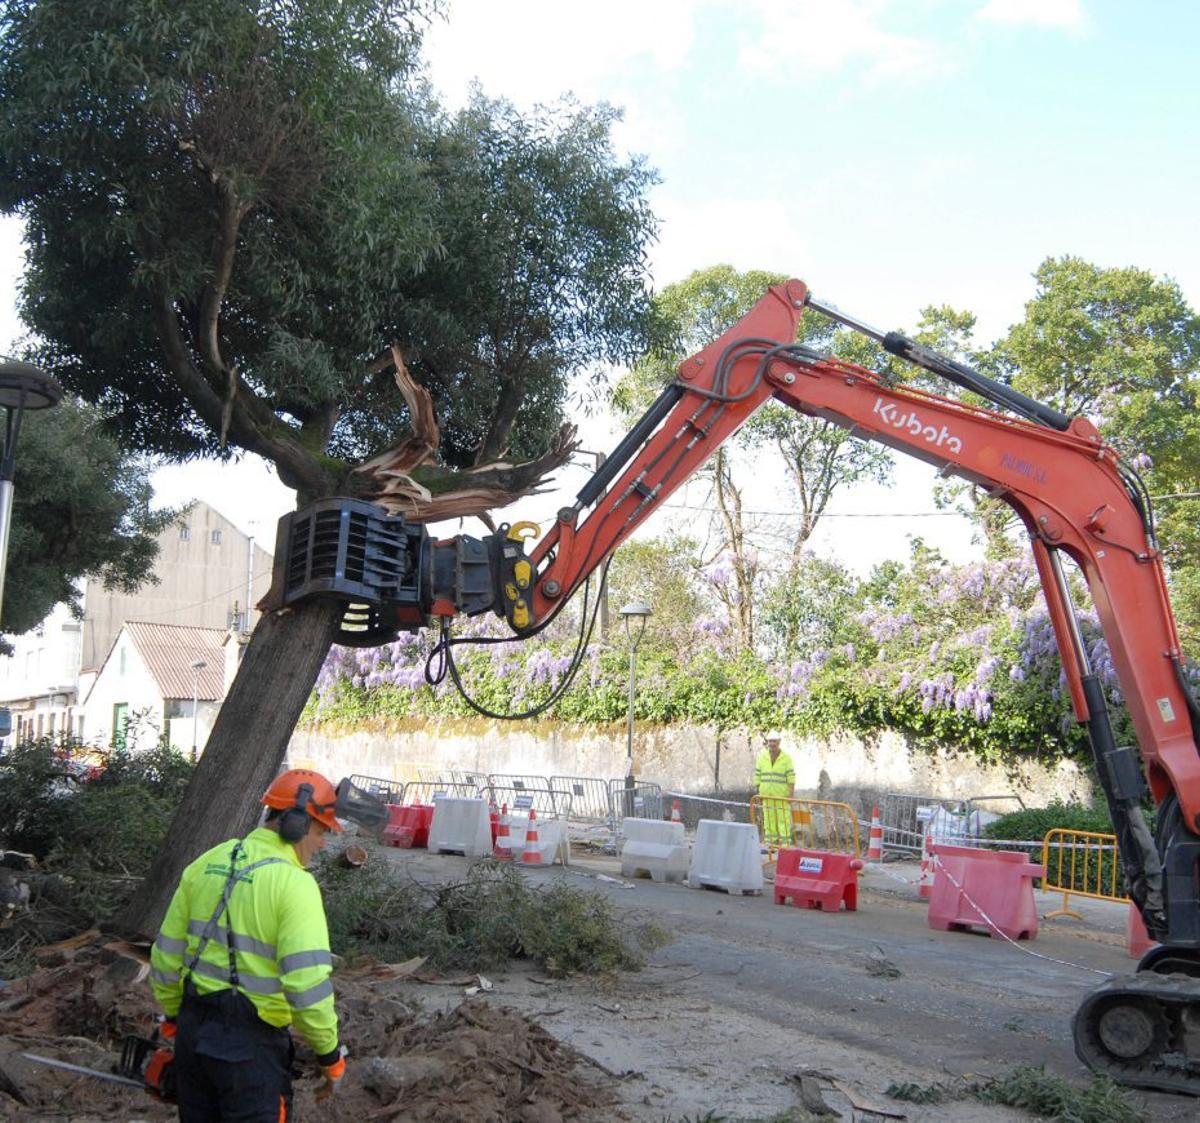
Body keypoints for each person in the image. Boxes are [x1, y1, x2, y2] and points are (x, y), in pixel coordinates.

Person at [149, 769, 348, 1121]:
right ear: (297, 825)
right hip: (250, 1054)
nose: (322, 843)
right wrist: (329, 1055)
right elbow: (306, 986)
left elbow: (165, 956)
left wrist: (174, 1016)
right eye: (321, 831)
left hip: (193, 1039)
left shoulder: (207, 862)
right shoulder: (295, 885)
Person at [754, 731, 796, 846]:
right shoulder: (762, 757)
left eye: (774, 741)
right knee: (768, 821)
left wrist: (790, 795)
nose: (772, 743)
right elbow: (758, 775)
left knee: (784, 821)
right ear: (767, 742)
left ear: (779, 742)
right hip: (766, 796)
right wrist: (758, 793)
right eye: (770, 741)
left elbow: (791, 777)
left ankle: (785, 845)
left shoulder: (786, 758)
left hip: (782, 796)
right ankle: (770, 844)